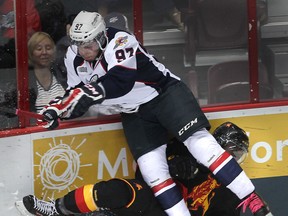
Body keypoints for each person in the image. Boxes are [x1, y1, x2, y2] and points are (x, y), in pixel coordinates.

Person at [34, 11, 272, 216]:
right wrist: (59, 110)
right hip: (134, 111)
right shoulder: (73, 56)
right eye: (78, 45)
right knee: (152, 172)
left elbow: (121, 81)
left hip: (164, 94)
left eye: (88, 45)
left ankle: (250, 198)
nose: (83, 51)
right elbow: (76, 94)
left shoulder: (120, 40)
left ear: (101, 36)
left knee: (200, 144)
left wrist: (80, 96)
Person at [18, 121, 252, 216]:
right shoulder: (182, 149)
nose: (233, 159)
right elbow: (142, 172)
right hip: (153, 204)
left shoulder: (233, 190)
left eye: (238, 155)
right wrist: (171, 167)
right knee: (116, 191)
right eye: (231, 151)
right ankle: (57, 209)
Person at [27, 31, 67, 113]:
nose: (44, 52)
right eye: (39, 49)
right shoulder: (25, 81)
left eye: (48, 48)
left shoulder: (63, 74)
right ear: (31, 53)